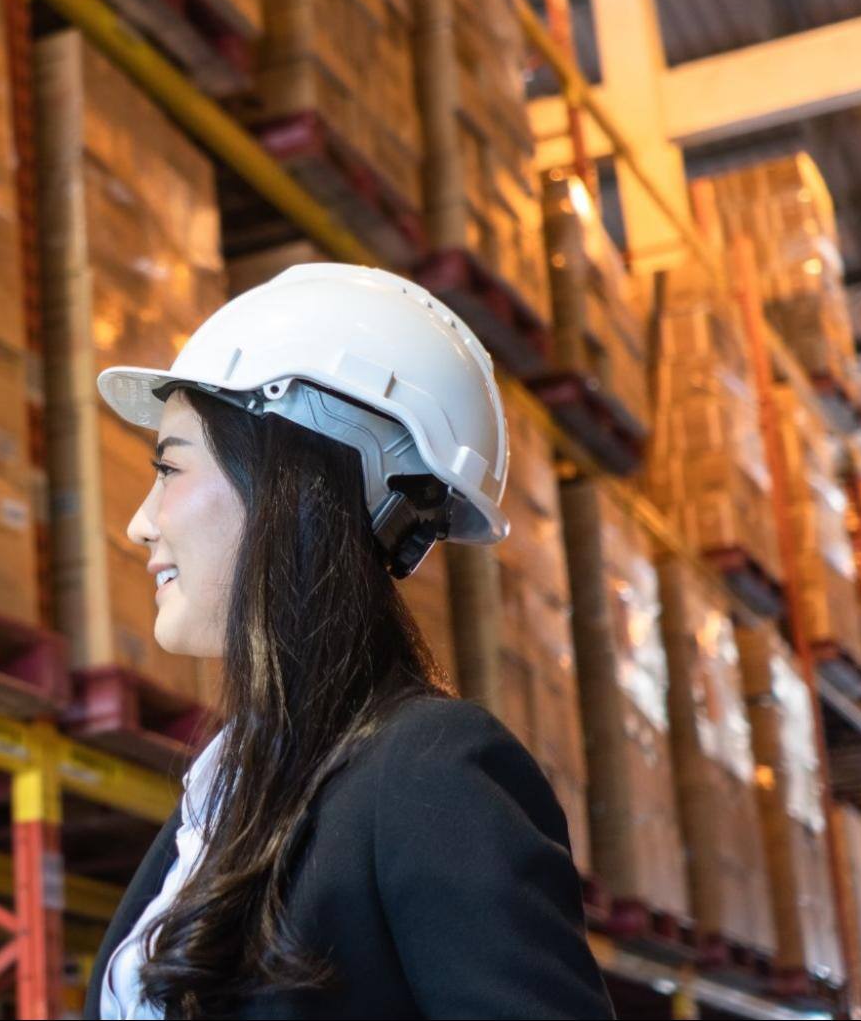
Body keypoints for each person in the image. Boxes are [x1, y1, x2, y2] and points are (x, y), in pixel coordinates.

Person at [86, 263, 612, 1020]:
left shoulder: (432, 773)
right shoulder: (225, 797)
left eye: (168, 466)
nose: (140, 521)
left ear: (287, 480)